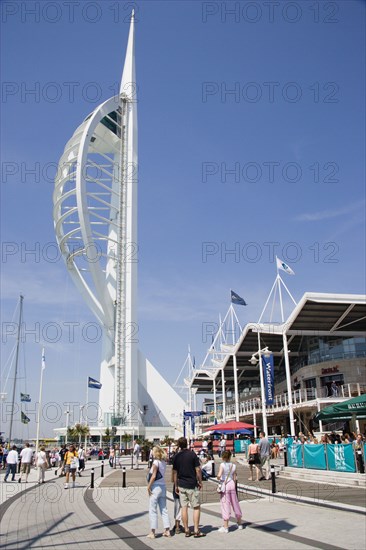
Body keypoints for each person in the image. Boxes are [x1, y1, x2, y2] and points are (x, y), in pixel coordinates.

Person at [172, 436, 206, 538]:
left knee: (184, 507)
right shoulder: (192, 455)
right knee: (196, 507)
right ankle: (196, 529)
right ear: (187, 444)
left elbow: (174, 472)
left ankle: (186, 529)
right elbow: (198, 470)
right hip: (192, 484)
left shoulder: (176, 457)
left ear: (179, 445)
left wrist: (176, 485)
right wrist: (200, 481)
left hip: (181, 484)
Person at [146, 446, 171, 539]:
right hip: (163, 486)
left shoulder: (156, 462)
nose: (151, 452)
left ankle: (152, 532)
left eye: (152, 450)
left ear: (155, 452)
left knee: (152, 509)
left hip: (155, 487)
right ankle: (167, 530)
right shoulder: (163, 462)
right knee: (164, 509)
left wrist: (148, 487)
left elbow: (153, 476)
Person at [217, 450, 243, 533]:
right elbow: (235, 477)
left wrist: (218, 478)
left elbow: (219, 475)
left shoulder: (222, 465)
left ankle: (226, 526)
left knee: (225, 504)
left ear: (223, 457)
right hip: (232, 484)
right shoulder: (233, 466)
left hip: (225, 484)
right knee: (235, 503)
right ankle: (239, 523)